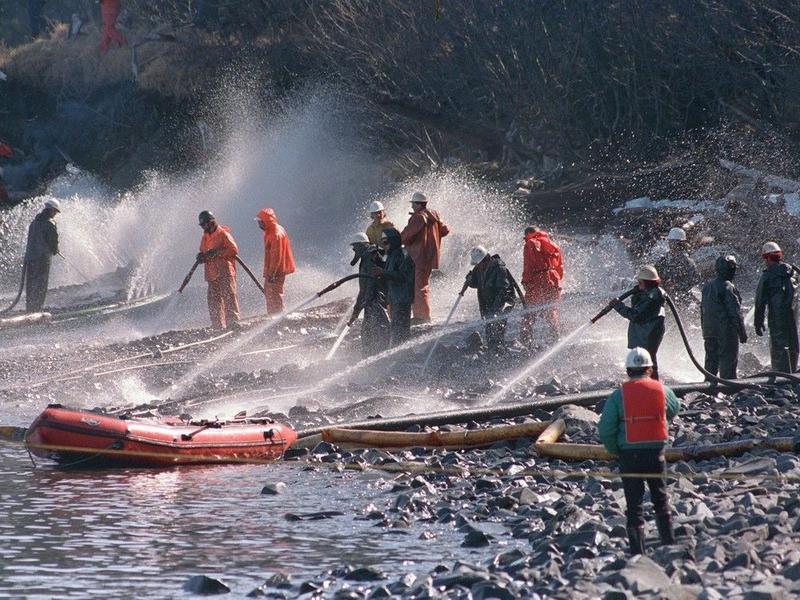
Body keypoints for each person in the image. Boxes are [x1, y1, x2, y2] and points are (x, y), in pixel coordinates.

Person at [598, 347, 681, 556]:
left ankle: (638, 553)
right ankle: (669, 545)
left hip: (629, 455)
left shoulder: (619, 395)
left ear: (628, 370)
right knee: (661, 499)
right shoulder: (663, 390)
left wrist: (614, 450)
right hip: (656, 452)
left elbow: (606, 428)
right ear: (650, 369)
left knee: (634, 506)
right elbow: (674, 408)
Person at [400, 191, 450, 323]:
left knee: (419, 286)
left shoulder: (418, 217)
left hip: (418, 257)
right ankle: (422, 314)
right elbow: (445, 230)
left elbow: (406, 235)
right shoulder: (435, 214)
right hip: (430, 257)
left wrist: (394, 242)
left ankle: (422, 317)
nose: (411, 207)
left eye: (413, 204)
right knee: (423, 284)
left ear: (418, 204)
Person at [612, 265, 666, 379]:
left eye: (640, 282)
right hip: (645, 334)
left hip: (647, 335)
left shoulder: (653, 296)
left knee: (647, 362)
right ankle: (649, 385)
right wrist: (637, 293)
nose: (638, 284)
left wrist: (618, 306)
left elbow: (635, 315)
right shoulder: (648, 293)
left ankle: (651, 387)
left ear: (646, 282)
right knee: (647, 362)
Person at [755, 241, 799, 373]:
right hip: (792, 318)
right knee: (793, 344)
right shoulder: (793, 273)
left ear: (767, 258)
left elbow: (760, 301)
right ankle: (792, 375)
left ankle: (781, 377)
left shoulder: (767, 276)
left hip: (777, 318)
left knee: (779, 347)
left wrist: (758, 322)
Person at [701, 255, 747, 379]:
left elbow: (703, 311)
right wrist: (742, 332)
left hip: (709, 332)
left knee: (711, 363)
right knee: (727, 363)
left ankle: (708, 390)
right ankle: (729, 390)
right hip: (725, 332)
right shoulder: (728, 287)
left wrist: (705, 331)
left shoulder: (707, 287)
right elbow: (735, 312)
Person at [466, 246, 516, 354]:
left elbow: (503, 291)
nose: (478, 266)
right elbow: (475, 283)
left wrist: (495, 311)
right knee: (489, 329)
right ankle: (493, 352)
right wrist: (469, 279)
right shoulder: (479, 268)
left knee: (497, 328)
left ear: (487, 258)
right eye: (477, 264)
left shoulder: (499, 268)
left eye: (480, 263)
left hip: (502, 303)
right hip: (488, 303)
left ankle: (500, 353)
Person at [520, 225, 563, 347]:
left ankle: (526, 341)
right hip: (554, 280)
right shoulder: (554, 245)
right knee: (551, 310)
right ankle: (555, 337)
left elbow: (528, 265)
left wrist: (525, 282)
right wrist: (557, 281)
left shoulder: (530, 244)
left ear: (528, 234)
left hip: (538, 280)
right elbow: (560, 266)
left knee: (529, 311)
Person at [347, 233, 390, 356]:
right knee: (370, 331)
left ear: (361, 245)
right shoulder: (369, 256)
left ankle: (374, 357)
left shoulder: (369, 258)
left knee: (372, 331)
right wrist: (356, 311)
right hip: (375, 300)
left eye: (355, 246)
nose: (353, 249)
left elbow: (367, 286)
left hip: (375, 301)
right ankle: (372, 356)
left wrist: (358, 308)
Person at [197, 210, 239, 330]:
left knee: (229, 297)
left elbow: (234, 250)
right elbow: (204, 252)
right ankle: (217, 325)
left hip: (225, 272)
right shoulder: (205, 237)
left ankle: (233, 323)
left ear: (211, 222)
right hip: (211, 274)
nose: (203, 227)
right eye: (202, 225)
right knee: (213, 301)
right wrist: (201, 257)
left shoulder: (223, 234)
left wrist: (217, 253)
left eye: (204, 225)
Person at [373, 228, 414, 346]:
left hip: (402, 298)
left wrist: (382, 272)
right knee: (396, 328)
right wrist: (379, 263)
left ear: (394, 241)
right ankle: (399, 353)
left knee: (400, 330)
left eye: (385, 243)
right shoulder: (391, 255)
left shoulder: (402, 254)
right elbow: (389, 272)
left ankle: (403, 355)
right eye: (382, 243)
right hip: (395, 298)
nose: (383, 246)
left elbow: (403, 276)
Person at [255, 208, 296, 315]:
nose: (259, 225)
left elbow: (276, 256)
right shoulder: (273, 230)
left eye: (260, 222)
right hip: (277, 268)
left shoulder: (275, 234)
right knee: (271, 293)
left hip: (276, 270)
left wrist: (272, 273)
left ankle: (277, 316)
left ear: (266, 221)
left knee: (274, 293)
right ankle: (275, 315)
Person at [24, 199, 60, 312]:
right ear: (51, 210)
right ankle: (37, 309)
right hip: (42, 258)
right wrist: (55, 250)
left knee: (31, 283)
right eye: (55, 212)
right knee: (41, 284)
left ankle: (30, 308)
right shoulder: (50, 223)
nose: (55, 214)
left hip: (30, 258)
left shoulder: (34, 222)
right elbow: (54, 241)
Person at [654, 227, 699, 307]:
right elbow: (655, 275)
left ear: (680, 243)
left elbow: (694, 280)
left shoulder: (688, 262)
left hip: (681, 298)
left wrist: (676, 286)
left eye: (673, 242)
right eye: (670, 242)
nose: (670, 244)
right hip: (664, 296)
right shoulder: (663, 260)